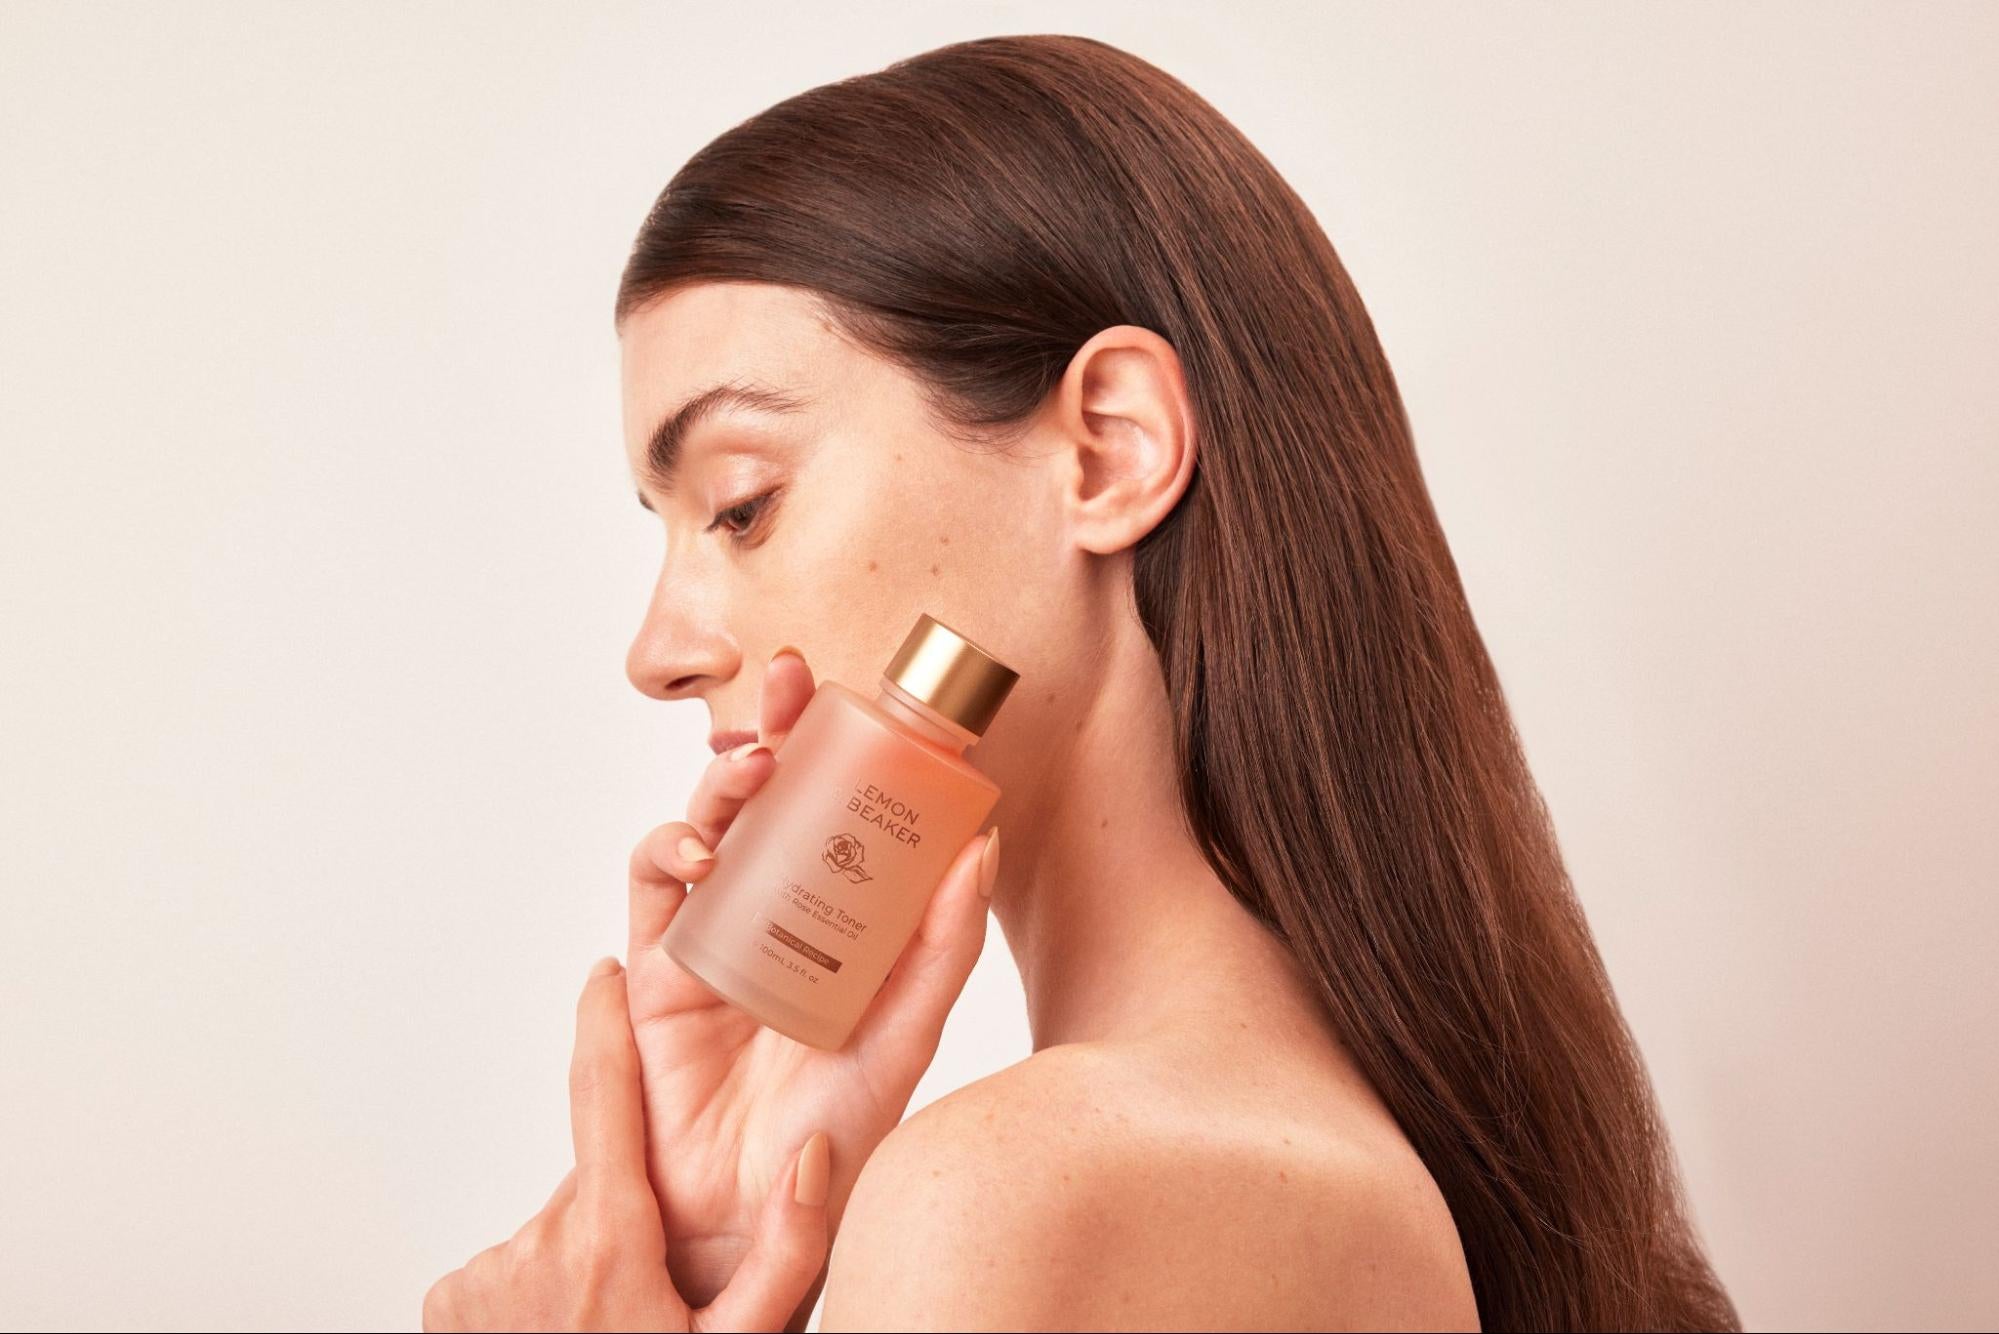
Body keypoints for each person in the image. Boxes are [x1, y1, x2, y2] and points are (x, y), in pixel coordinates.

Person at [425, 33, 1739, 1333]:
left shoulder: (1018, 1193)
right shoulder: (1304, 1167)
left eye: (742, 502)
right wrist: (712, 1242)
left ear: (1110, 450)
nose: (660, 649)